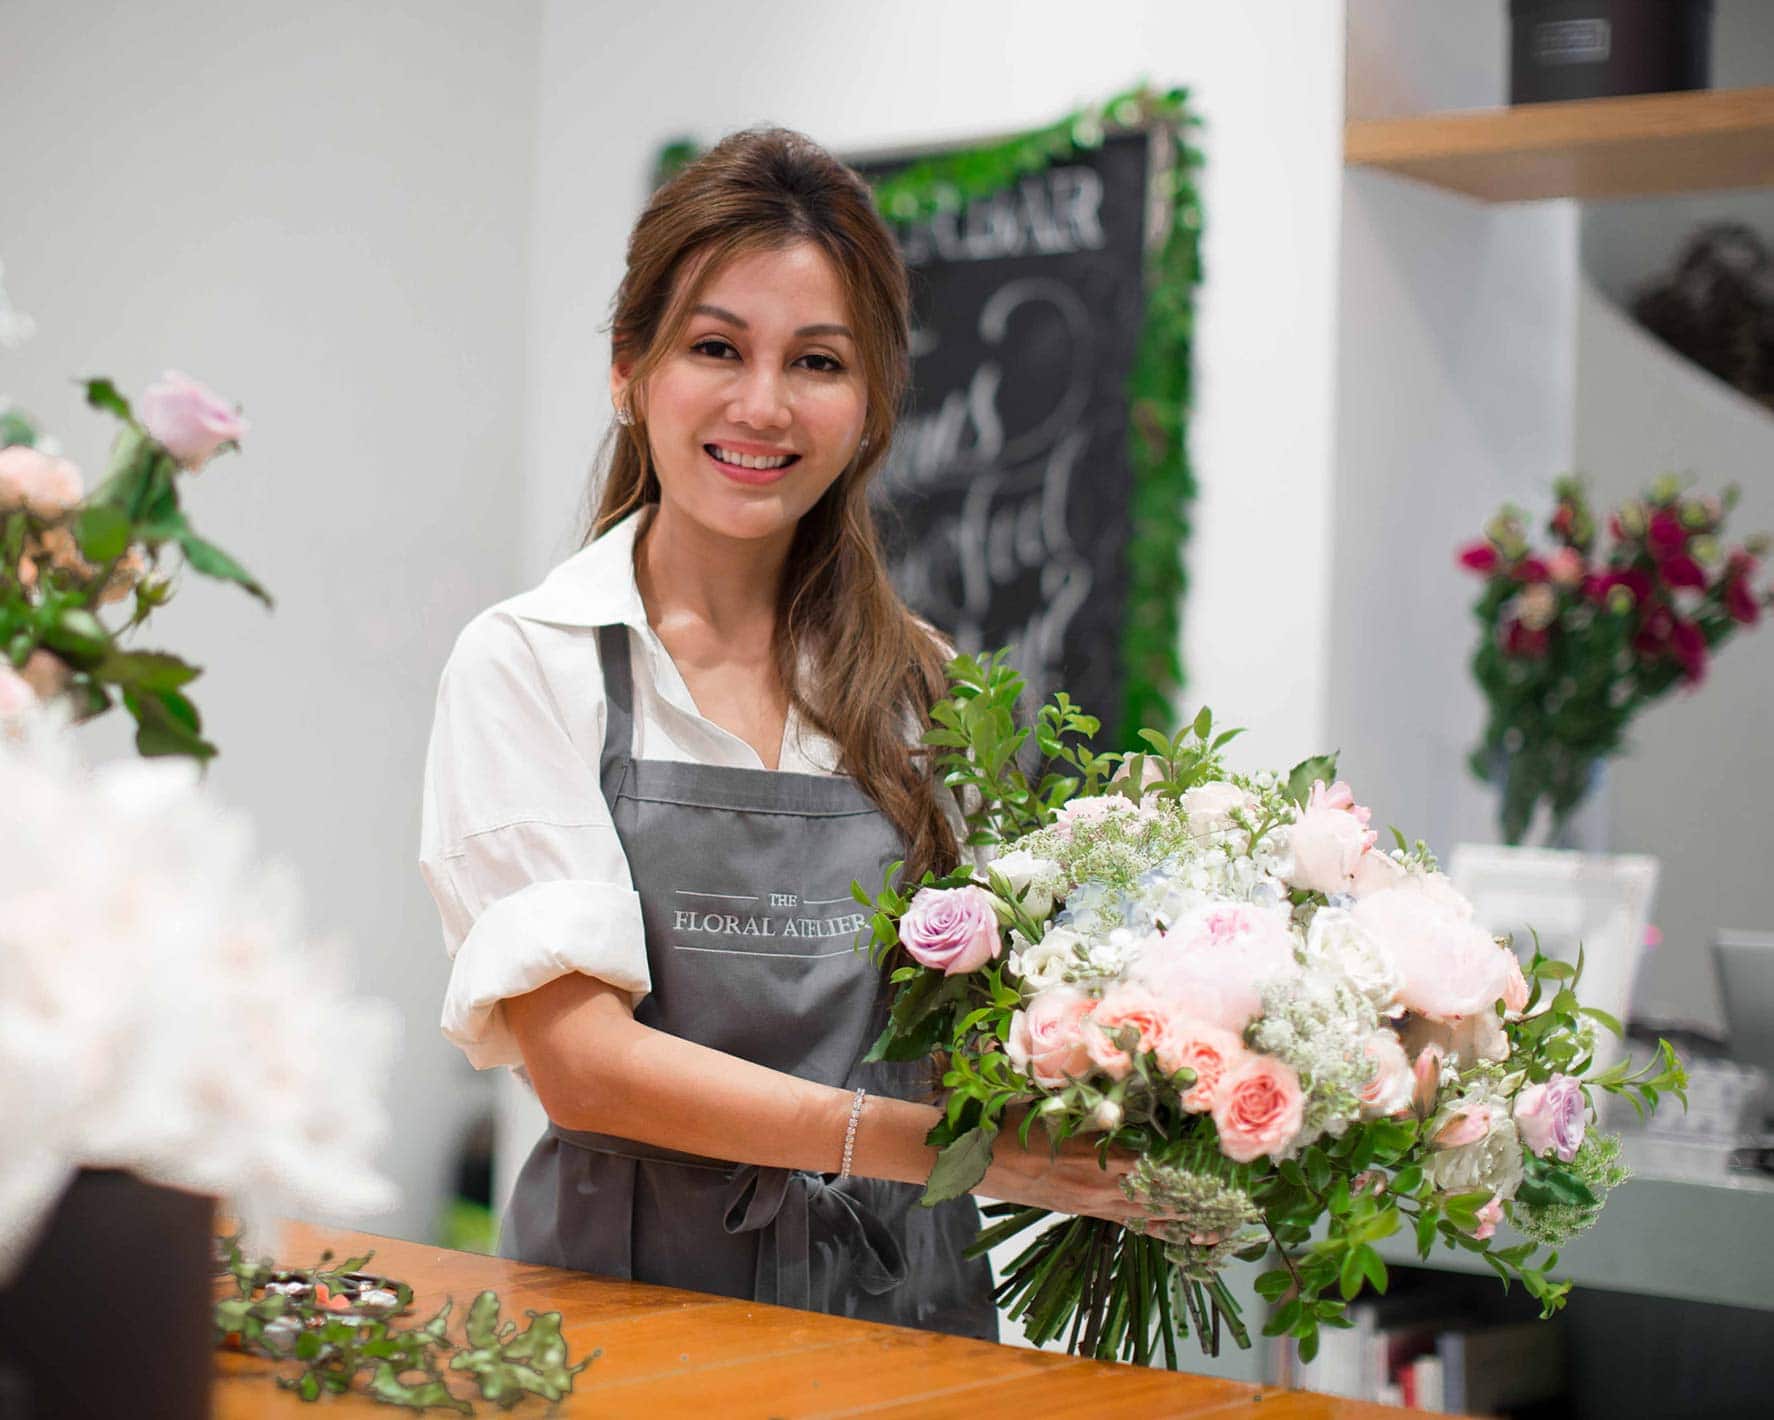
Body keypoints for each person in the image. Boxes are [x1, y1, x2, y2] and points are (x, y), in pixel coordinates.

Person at [419, 127, 1146, 1340]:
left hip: (903, 1308)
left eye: (816, 360)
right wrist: (931, 1148)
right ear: (628, 369)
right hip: (633, 1310)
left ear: (869, 406)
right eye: (716, 347)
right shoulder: (533, 663)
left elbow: (977, 1021)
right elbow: (584, 1064)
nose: (762, 404)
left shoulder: (922, 682)